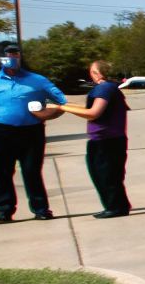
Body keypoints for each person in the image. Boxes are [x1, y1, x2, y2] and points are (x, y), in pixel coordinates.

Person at [0, 41, 67, 224]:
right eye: (8, 54)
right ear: (0, 58)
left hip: (31, 132)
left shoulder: (37, 80)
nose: (13, 58)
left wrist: (46, 114)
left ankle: (41, 209)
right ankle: (5, 210)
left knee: (32, 171)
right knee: (2, 172)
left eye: (16, 54)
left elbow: (61, 102)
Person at [55, 60, 132, 218]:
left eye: (91, 71)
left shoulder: (104, 88)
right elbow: (88, 109)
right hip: (111, 139)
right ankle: (119, 205)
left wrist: (61, 108)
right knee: (110, 175)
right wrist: (64, 104)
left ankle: (115, 207)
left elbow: (93, 113)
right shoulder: (110, 88)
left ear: (97, 73)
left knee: (106, 175)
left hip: (106, 140)